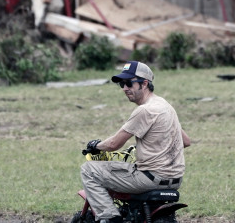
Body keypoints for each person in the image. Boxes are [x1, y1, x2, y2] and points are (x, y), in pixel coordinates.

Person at [80, 61, 191, 223]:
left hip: (149, 178)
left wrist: (95, 146)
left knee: (89, 170)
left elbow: (113, 145)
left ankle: (109, 217)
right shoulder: (165, 106)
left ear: (144, 83)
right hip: (175, 179)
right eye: (122, 84)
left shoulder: (144, 110)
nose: (125, 88)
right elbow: (186, 141)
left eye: (129, 83)